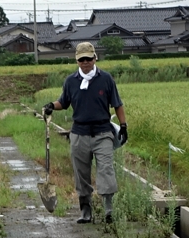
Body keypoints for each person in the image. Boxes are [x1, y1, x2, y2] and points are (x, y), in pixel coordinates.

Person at [43, 41, 128, 224]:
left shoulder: (105, 79)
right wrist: (51, 106)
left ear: (95, 57)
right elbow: (63, 103)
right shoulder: (71, 81)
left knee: (105, 168)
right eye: (81, 59)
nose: (85, 62)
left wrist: (123, 126)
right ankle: (85, 210)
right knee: (81, 173)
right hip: (79, 133)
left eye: (88, 58)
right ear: (77, 61)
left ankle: (108, 209)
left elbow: (117, 104)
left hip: (102, 132)